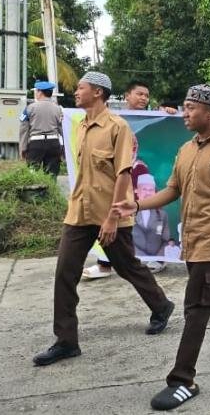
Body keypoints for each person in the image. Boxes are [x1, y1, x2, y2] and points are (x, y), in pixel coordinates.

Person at [113, 84, 210, 411]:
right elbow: (172, 190)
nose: (185, 113)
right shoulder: (185, 149)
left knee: (196, 304)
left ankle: (183, 380)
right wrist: (136, 205)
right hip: (192, 237)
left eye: (191, 108)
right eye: (184, 107)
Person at [33, 72, 175, 367]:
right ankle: (66, 341)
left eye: (81, 87)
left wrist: (111, 219)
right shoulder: (80, 126)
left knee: (127, 266)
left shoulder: (117, 127)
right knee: (64, 274)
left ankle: (161, 306)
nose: (76, 92)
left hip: (110, 214)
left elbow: (123, 174)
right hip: (79, 213)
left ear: (97, 92)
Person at [85, 80, 178, 280]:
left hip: (133, 190)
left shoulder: (157, 117)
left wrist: (169, 113)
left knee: (141, 227)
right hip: (113, 180)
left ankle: (155, 259)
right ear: (127, 95)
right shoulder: (112, 118)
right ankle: (104, 263)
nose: (144, 98)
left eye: (147, 95)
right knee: (108, 222)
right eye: (139, 94)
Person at [19, 80, 64, 177]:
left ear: (40, 92)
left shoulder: (29, 108)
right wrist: (64, 149)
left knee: (32, 174)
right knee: (51, 175)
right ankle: (51, 187)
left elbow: (24, 129)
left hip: (36, 144)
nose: (35, 93)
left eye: (36, 91)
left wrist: (23, 148)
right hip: (53, 144)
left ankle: (34, 187)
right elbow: (62, 129)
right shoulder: (58, 109)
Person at [133, 174, 170, 273]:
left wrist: (157, 259)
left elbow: (166, 240)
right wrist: (142, 259)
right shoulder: (129, 213)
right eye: (144, 189)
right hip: (134, 259)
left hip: (156, 262)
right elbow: (127, 240)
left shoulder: (162, 215)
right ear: (137, 191)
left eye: (151, 190)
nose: (148, 193)